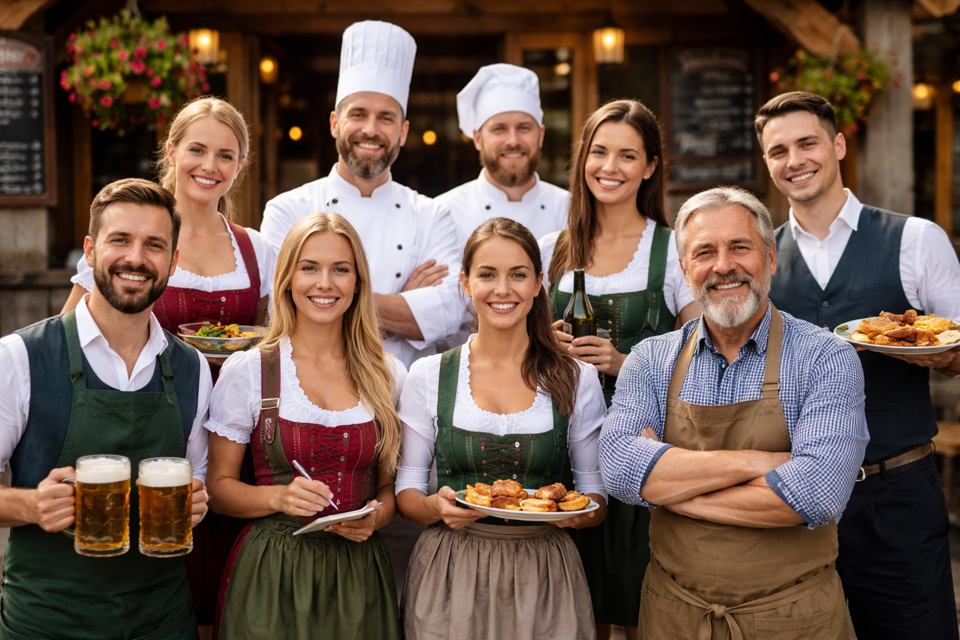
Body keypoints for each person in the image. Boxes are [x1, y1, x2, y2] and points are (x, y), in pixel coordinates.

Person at [599, 186, 869, 639]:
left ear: (770, 258)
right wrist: (762, 464)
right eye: (704, 252)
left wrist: (669, 486)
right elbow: (621, 472)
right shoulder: (650, 360)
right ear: (685, 270)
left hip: (793, 619)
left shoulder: (827, 357)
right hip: (673, 617)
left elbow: (816, 495)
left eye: (739, 247)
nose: (723, 265)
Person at [61, 97, 276, 635]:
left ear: (240, 166)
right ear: (172, 151)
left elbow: (281, 341)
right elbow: (67, 340)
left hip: (236, 439)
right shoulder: (138, 241)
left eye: (226, 155)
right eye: (197, 149)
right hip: (156, 426)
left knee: (228, 586)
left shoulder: (258, 249)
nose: (210, 166)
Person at [758, 91, 960, 639]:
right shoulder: (764, 261)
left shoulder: (916, 239)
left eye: (807, 143)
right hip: (799, 494)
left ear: (839, 145)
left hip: (897, 486)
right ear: (767, 163)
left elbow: (956, 350)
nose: (794, 160)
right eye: (778, 151)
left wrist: (929, 351)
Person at [0, 178, 210, 639]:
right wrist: (32, 505)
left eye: (154, 245)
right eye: (120, 240)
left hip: (163, 622)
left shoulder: (193, 366)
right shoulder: (20, 356)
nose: (136, 258)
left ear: (173, 262)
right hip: (46, 622)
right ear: (90, 251)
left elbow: (200, 482)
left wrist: (197, 501)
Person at [396, 217, 609, 640]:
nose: (503, 289)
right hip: (451, 569)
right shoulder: (429, 375)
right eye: (487, 275)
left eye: (518, 275)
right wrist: (437, 508)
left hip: (545, 573)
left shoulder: (576, 377)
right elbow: (407, 494)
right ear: (465, 283)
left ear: (538, 283)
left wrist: (576, 518)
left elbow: (596, 497)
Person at [539, 99, 698, 640]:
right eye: (599, 151)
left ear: (650, 166)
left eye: (627, 155)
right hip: (562, 455)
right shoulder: (549, 252)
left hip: (645, 451)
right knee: (575, 608)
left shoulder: (674, 250)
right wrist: (545, 347)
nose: (609, 167)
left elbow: (707, 360)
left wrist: (626, 363)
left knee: (638, 607)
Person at [206, 213, 404, 640]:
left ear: (358, 283)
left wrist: (376, 516)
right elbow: (218, 488)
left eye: (341, 269)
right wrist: (278, 496)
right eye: (309, 267)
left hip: (358, 574)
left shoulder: (388, 374)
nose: (325, 283)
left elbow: (388, 491)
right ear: (287, 279)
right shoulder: (250, 370)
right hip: (272, 572)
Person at [260, 20, 462, 369]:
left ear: (402, 131)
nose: (371, 129)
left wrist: (325, 298)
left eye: (386, 118)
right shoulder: (287, 210)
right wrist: (404, 303)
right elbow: (279, 306)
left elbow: (451, 311)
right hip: (311, 385)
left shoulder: (432, 215)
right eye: (358, 115)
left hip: (405, 398)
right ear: (335, 123)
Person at [437, 63, 568, 250]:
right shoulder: (445, 214)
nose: (513, 141)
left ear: (541, 135)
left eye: (524, 128)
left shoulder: (570, 210)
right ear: (477, 139)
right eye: (499, 129)